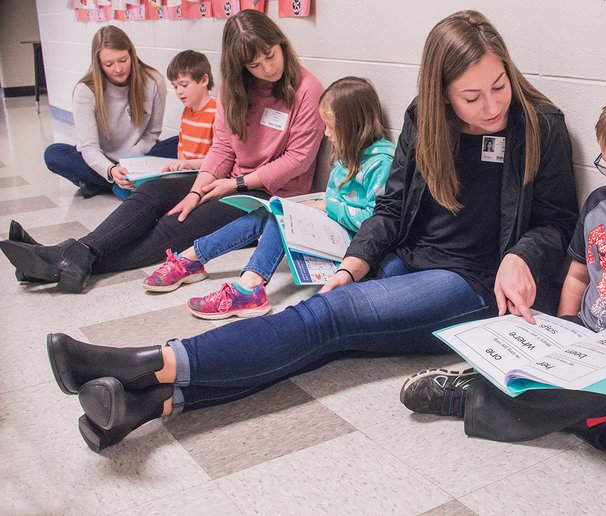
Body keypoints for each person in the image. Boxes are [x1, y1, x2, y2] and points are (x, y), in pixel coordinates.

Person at [43, 10, 578, 452]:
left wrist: (522, 256)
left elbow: (557, 222)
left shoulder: (540, 125)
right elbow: (392, 209)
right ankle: (146, 404)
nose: (491, 106)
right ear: (441, 94)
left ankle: (142, 364)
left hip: (473, 283)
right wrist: (355, 262)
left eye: (499, 86)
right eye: (471, 96)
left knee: (326, 319)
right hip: (410, 257)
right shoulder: (423, 117)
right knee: (322, 329)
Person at [399, 78, 606, 476]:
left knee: (594, 391)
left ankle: (470, 395)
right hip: (589, 336)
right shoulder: (600, 204)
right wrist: (561, 331)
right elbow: (578, 276)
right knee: (539, 362)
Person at [0, 10, 324, 293]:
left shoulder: (307, 89)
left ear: (280, 43)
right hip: (231, 179)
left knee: (176, 224)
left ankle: (58, 262)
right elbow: (223, 148)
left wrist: (234, 185)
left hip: (269, 194)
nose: (268, 68)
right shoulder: (233, 89)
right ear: (240, 66)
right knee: (154, 190)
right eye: (255, 64)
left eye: (271, 55)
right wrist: (197, 191)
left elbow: (298, 161)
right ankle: (77, 253)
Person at [143, 76, 395, 321]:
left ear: (353, 125)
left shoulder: (381, 163)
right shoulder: (347, 155)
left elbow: (374, 220)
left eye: (331, 126)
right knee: (267, 211)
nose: (327, 134)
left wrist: (326, 207)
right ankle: (192, 258)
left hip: (354, 248)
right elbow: (335, 199)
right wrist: (318, 207)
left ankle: (249, 288)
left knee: (280, 219)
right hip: (333, 228)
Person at [43, 26, 177, 200]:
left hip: (138, 155)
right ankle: (119, 182)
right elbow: (89, 147)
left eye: (123, 60)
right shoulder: (85, 91)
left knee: (179, 143)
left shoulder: (153, 81)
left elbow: (152, 133)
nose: (118, 69)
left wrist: (128, 161)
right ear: (99, 64)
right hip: (101, 159)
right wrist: (111, 170)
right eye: (109, 64)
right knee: (53, 153)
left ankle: (96, 182)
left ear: (132, 54)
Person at [163, 50, 217, 172]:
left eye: (184, 85)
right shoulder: (187, 111)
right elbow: (181, 148)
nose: (179, 91)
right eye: (175, 86)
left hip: (204, 173)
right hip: (186, 171)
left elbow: (218, 158)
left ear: (204, 80)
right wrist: (182, 164)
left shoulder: (216, 113)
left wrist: (189, 165)